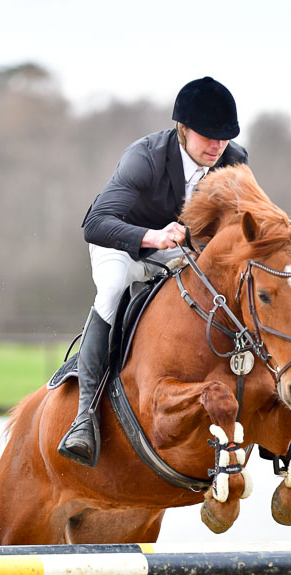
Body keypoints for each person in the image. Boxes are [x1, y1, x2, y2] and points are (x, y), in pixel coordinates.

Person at [58, 76, 249, 466]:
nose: (217, 146)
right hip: (121, 242)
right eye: (208, 136)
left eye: (223, 137)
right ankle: (85, 418)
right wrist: (153, 236)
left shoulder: (233, 160)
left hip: (179, 253)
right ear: (183, 129)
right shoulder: (145, 156)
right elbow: (95, 223)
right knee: (111, 289)